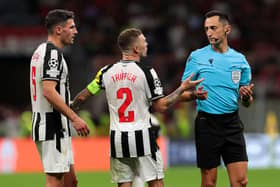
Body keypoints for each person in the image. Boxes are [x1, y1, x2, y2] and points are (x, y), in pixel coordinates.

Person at [71, 28, 206, 187]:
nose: (146, 43)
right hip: (142, 136)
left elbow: (82, 97)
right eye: (143, 41)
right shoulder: (147, 72)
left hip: (118, 138)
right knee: (156, 183)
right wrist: (182, 88)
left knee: (124, 184)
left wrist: (70, 109)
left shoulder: (105, 72)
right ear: (136, 48)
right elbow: (161, 105)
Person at [181, 10, 254, 187]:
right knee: (209, 183)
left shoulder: (240, 61)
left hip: (232, 124)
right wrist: (193, 95)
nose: (209, 33)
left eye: (213, 28)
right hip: (207, 123)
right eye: (206, 29)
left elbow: (247, 102)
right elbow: (181, 93)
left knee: (241, 181)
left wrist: (246, 97)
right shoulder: (197, 57)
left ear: (227, 29)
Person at [30, 9, 90, 187]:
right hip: (51, 125)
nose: (76, 31)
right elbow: (48, 91)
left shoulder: (40, 51)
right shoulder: (52, 54)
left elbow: (47, 90)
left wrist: (69, 103)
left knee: (71, 182)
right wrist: (75, 118)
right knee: (55, 181)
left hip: (54, 124)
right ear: (58, 30)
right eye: (71, 27)